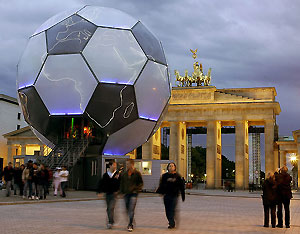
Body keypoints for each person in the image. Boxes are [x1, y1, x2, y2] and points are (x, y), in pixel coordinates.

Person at [156, 162, 185, 229]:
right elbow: (161, 185)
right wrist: (160, 192)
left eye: (172, 166)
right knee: (167, 210)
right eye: (170, 166)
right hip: (166, 195)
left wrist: (183, 195)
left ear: (175, 167)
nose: (171, 167)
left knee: (172, 209)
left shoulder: (178, 176)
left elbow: (181, 186)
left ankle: (172, 223)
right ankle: (171, 221)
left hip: (174, 195)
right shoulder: (164, 176)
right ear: (168, 168)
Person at [120, 159, 143, 232]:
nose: (127, 166)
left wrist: (136, 189)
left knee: (131, 209)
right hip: (126, 194)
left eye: (128, 164)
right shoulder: (124, 174)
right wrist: (121, 192)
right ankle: (131, 220)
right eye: (126, 164)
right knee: (127, 209)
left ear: (132, 164)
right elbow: (121, 184)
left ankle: (130, 224)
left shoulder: (137, 173)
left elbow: (141, 183)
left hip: (134, 194)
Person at [97, 161, 120, 229]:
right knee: (109, 208)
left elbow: (120, 183)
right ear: (110, 166)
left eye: (115, 165)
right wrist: (99, 191)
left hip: (114, 193)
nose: (115, 166)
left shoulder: (117, 174)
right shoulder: (106, 175)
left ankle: (110, 222)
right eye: (114, 165)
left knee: (110, 207)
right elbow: (102, 183)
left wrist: (120, 191)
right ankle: (111, 220)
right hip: (107, 193)